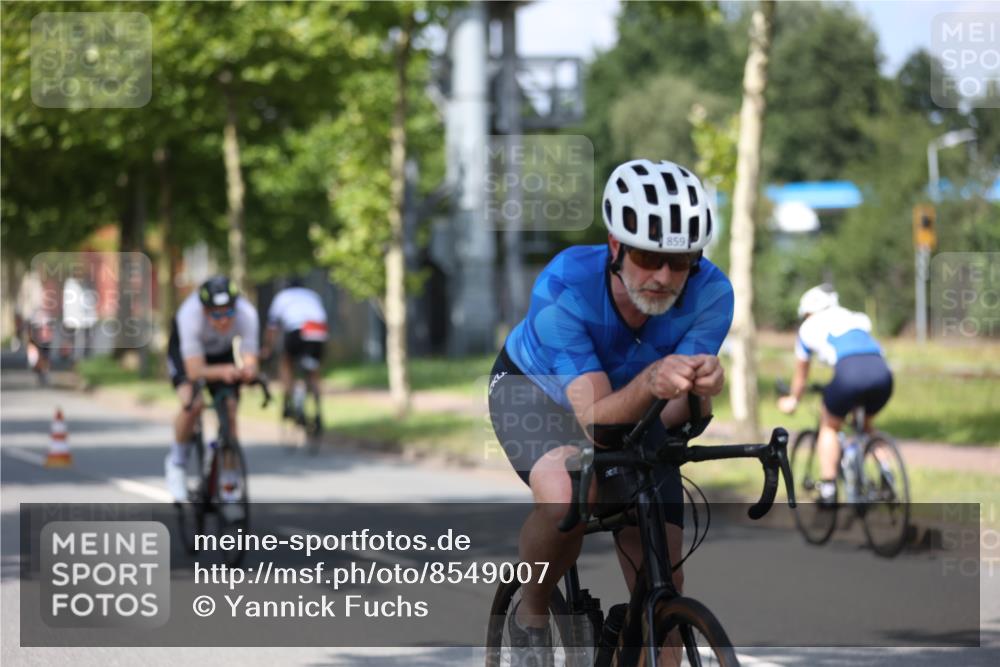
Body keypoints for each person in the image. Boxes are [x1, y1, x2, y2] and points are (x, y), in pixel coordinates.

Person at [488, 158, 733, 664]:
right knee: (566, 497)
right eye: (647, 256)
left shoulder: (712, 293)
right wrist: (654, 382)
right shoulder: (564, 288)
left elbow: (674, 415)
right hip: (540, 394)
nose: (664, 276)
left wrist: (702, 391)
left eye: (682, 260)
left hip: (632, 404)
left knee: (662, 568)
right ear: (616, 247)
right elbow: (599, 424)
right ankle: (531, 614)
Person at [777, 284, 894, 505]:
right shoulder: (855, 317)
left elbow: (801, 377)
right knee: (868, 428)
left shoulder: (807, 328)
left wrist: (793, 400)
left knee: (829, 426)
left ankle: (828, 488)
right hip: (882, 373)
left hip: (849, 374)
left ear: (808, 311)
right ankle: (887, 475)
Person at [164, 275, 260, 502]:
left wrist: (248, 371)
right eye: (217, 314)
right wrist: (225, 371)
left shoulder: (248, 315)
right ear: (205, 311)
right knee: (192, 403)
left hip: (221, 351)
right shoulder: (189, 316)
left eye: (229, 312)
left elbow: (250, 359)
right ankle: (176, 463)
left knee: (231, 409)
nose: (224, 320)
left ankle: (228, 480)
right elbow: (195, 371)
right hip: (187, 354)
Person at [260, 279, 328, 420]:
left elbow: (272, 327)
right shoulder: (312, 295)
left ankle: (287, 401)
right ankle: (318, 410)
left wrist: (268, 348)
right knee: (314, 370)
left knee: (286, 362)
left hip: (296, 329)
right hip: (317, 330)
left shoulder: (282, 296)